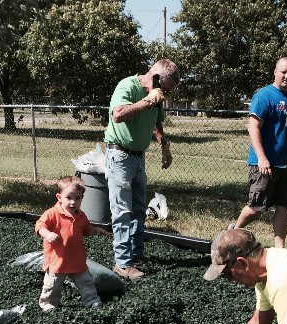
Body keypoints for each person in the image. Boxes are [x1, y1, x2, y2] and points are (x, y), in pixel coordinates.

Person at [104, 59, 179, 281]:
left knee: (138, 209)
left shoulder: (156, 95)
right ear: (156, 77)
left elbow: (156, 122)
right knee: (122, 210)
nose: (164, 93)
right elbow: (118, 114)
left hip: (138, 158)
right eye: (165, 88)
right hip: (119, 155)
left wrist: (164, 145)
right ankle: (123, 263)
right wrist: (147, 101)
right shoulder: (127, 86)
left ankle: (136, 254)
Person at [231, 56, 287, 248]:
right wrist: (262, 158)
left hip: (286, 165)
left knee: (284, 207)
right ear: (275, 72)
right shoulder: (264, 96)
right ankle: (233, 234)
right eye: (283, 72)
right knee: (256, 208)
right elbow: (253, 127)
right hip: (264, 164)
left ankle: (280, 248)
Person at [35, 176, 111, 311]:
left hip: (77, 259)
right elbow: (40, 226)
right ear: (59, 197)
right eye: (69, 198)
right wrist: (47, 234)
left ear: (82, 197)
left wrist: (96, 230)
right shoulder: (52, 214)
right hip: (57, 260)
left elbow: (87, 230)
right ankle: (48, 303)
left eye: (78, 198)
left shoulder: (81, 216)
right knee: (52, 285)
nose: (73, 202)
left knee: (86, 282)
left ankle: (92, 301)